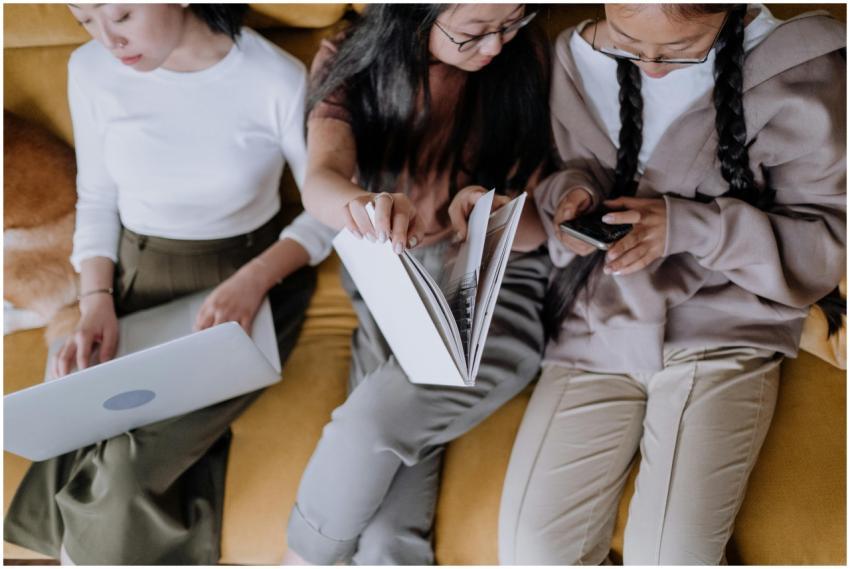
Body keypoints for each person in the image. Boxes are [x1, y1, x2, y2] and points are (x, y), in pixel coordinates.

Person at [498, 3, 845, 565]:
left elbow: (824, 240)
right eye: (628, 42)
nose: (651, 67)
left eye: (680, 51)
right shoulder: (570, 55)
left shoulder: (800, 68)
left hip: (723, 331)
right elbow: (557, 170)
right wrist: (570, 196)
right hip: (596, 328)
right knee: (532, 554)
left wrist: (687, 226)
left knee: (671, 557)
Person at [4, 4, 335, 564]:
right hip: (131, 277)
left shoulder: (272, 77)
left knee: (126, 471)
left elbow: (326, 213)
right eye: (85, 20)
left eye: (123, 15)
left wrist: (254, 283)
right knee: (76, 428)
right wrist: (95, 302)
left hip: (244, 284)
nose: (109, 39)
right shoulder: (89, 71)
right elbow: (98, 199)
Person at [283, 4, 552, 564]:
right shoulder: (350, 57)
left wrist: (487, 210)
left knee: (368, 426)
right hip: (395, 281)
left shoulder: (527, 61)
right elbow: (321, 179)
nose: (497, 45)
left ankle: (304, 558)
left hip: (494, 289)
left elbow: (536, 232)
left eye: (513, 22)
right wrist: (363, 207)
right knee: (386, 541)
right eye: (475, 32)